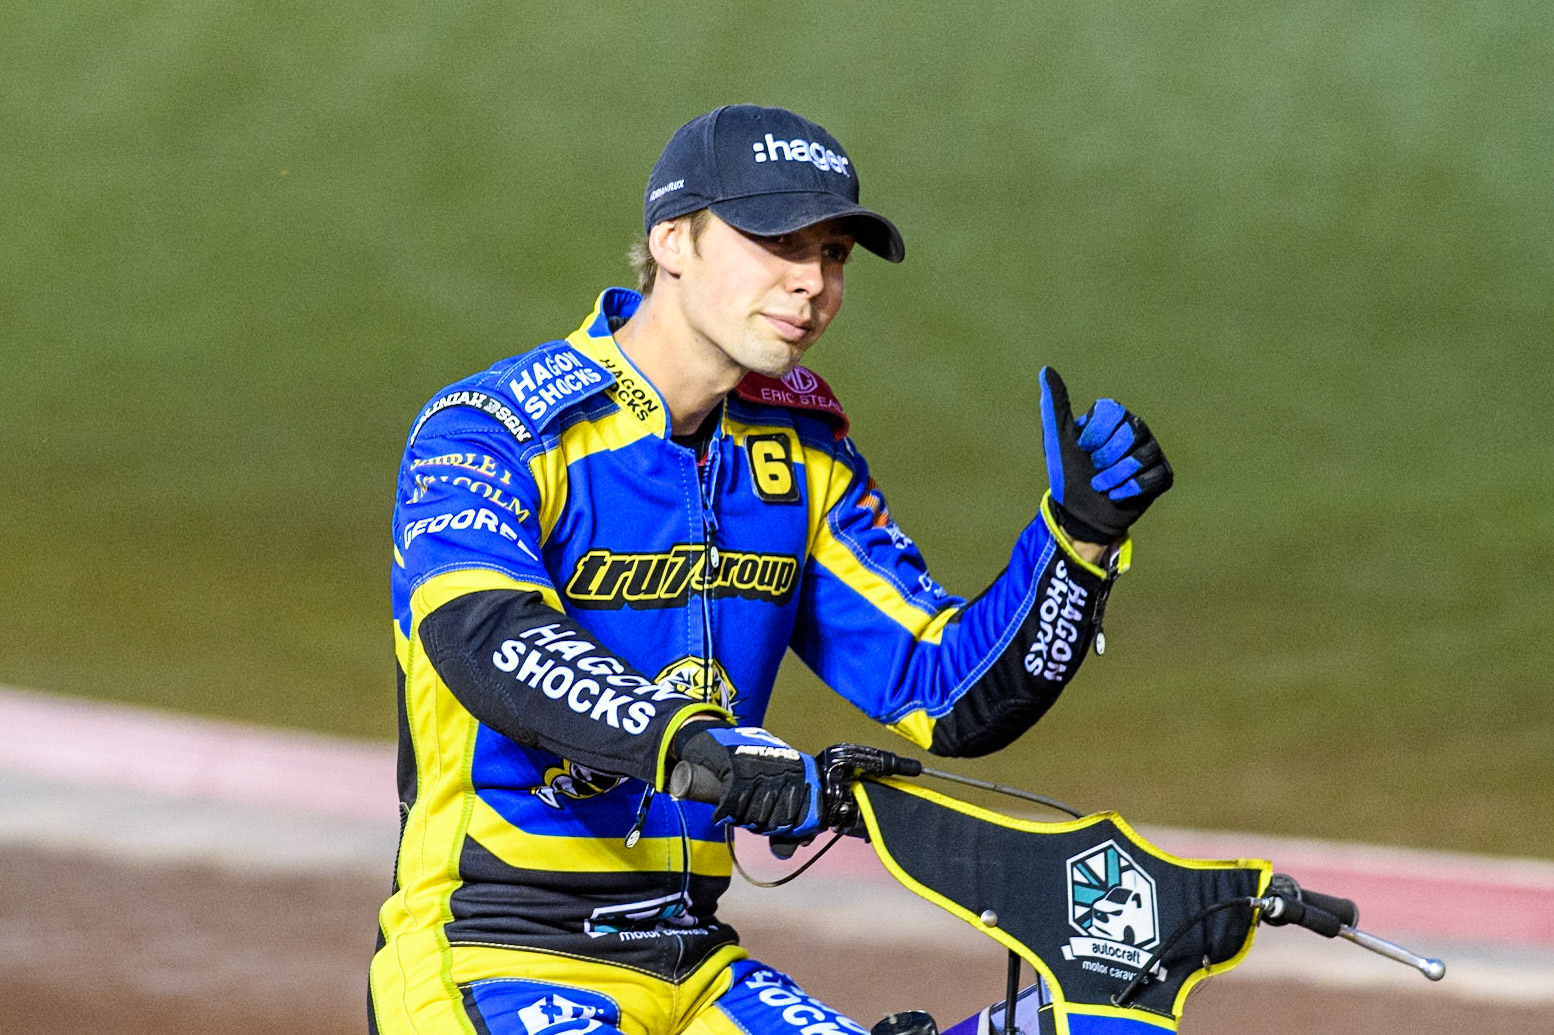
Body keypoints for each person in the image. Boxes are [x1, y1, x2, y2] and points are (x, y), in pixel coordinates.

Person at [370, 104, 1172, 1035]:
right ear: (674, 239)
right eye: (777, 242)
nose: (812, 284)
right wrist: (700, 745)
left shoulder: (802, 458)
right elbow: (486, 634)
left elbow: (945, 693)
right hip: (489, 946)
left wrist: (1077, 545)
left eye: (832, 254)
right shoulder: (493, 429)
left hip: (695, 960)